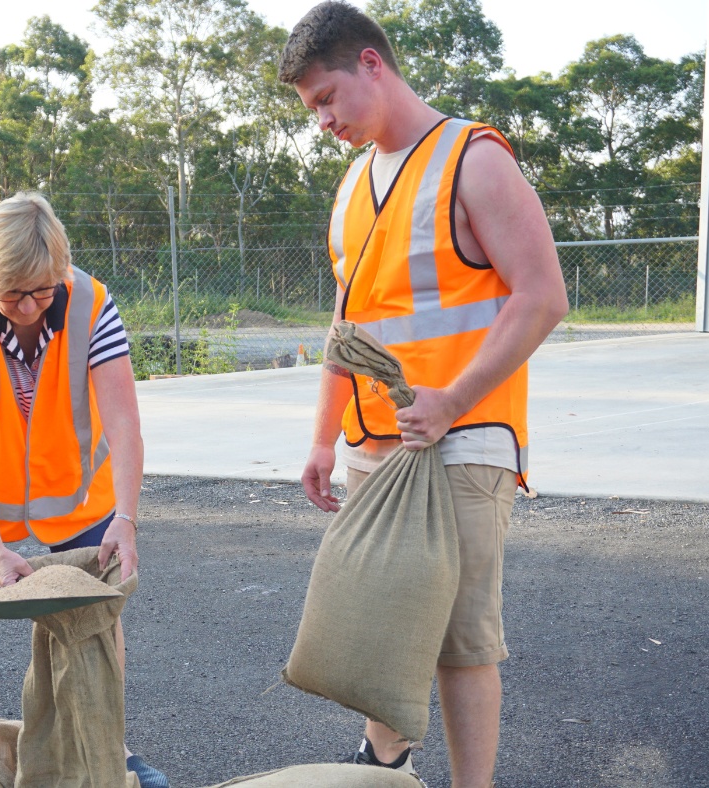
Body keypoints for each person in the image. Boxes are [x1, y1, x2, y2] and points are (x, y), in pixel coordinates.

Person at [278, 4, 569, 787]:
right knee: (382, 623)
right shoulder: (353, 185)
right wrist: (321, 437)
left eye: (328, 98)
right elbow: (348, 327)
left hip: (464, 440)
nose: (324, 120)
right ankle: (385, 765)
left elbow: (543, 296)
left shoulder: (473, 159)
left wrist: (453, 399)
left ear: (373, 63)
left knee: (459, 641)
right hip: (377, 443)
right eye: (313, 108)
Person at [0, 192, 167, 788]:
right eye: (11, 294)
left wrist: (127, 515)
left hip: (74, 495)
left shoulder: (93, 304)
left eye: (41, 292)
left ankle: (110, 749)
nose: (26, 307)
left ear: (62, 272)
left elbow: (123, 419)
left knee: (94, 619)